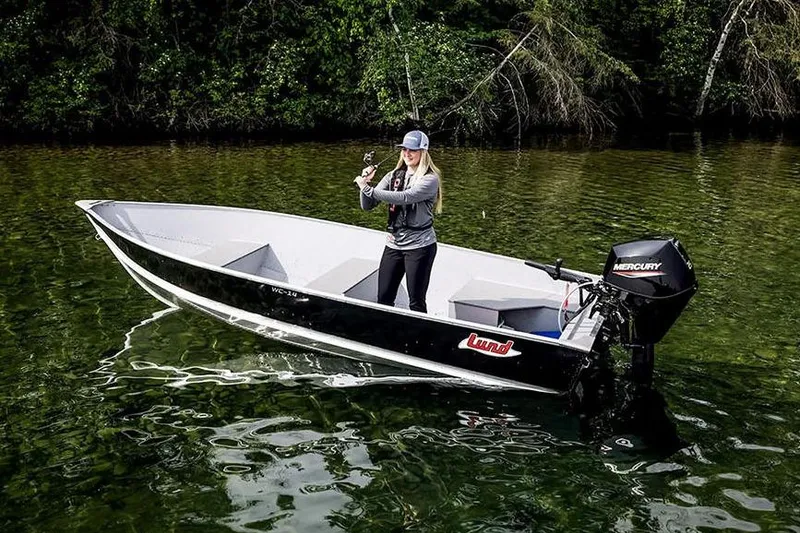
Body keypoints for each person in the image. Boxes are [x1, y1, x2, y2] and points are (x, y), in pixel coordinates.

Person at [353, 130, 442, 313]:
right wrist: (366, 184)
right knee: (384, 298)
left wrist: (366, 188)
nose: (407, 154)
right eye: (404, 150)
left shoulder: (430, 179)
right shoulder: (393, 175)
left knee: (416, 302)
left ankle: (419, 337)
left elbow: (404, 197)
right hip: (394, 245)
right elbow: (368, 205)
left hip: (420, 247)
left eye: (412, 150)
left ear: (423, 153)